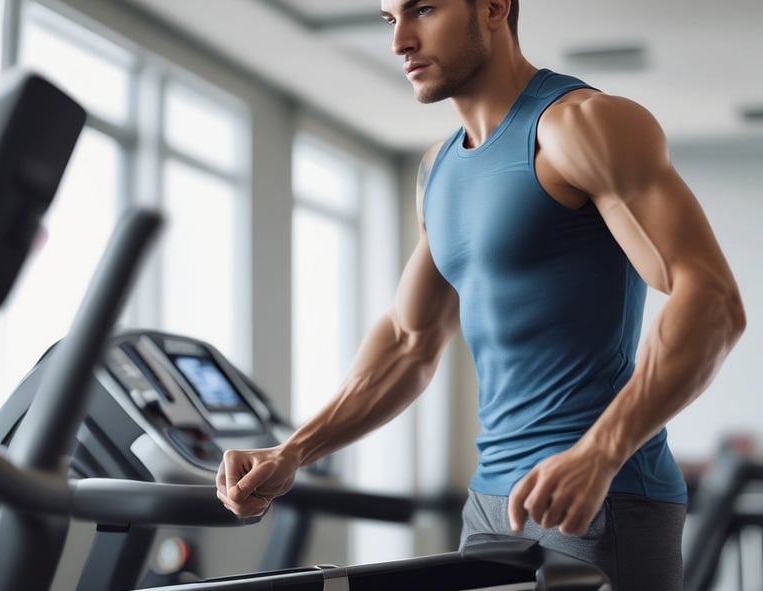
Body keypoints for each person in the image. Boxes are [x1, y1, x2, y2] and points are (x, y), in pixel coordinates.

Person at [217, 1, 746, 588]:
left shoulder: (582, 125)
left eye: (423, 9)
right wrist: (292, 451)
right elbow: (408, 341)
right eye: (391, 20)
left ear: (495, 7)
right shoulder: (437, 169)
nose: (400, 43)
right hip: (491, 505)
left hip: (602, 497)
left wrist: (601, 451)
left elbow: (712, 299)